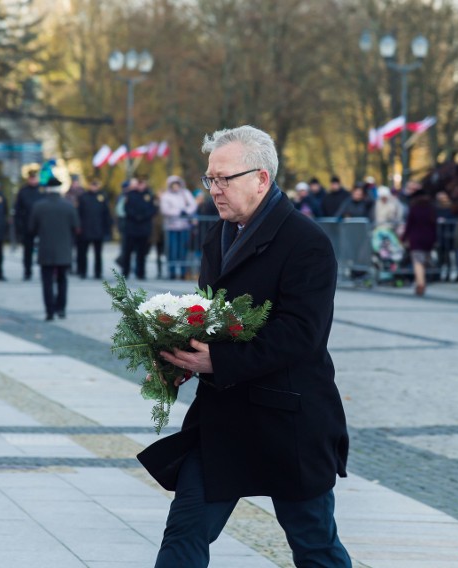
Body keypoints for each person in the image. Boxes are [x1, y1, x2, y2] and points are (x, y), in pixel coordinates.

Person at [137, 125, 351, 567]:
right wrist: (180, 356)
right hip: (223, 420)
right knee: (183, 534)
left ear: (261, 179)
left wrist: (217, 359)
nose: (214, 189)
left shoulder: (306, 242)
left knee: (315, 546)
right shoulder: (217, 235)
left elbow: (301, 334)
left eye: (224, 179)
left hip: (288, 420)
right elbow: (211, 317)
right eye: (209, 178)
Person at [29, 176, 80, 321]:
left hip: (45, 249)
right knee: (63, 280)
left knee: (47, 282)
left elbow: (31, 228)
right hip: (64, 250)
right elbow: (76, 227)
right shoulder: (69, 206)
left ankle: (49, 311)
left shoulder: (39, 206)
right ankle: (61, 308)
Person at [159, 175, 198, 280]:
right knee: (172, 250)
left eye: (177, 185)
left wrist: (186, 211)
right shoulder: (166, 196)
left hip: (184, 226)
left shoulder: (185, 193)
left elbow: (193, 205)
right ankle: (171, 272)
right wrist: (178, 212)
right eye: (174, 185)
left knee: (183, 250)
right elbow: (165, 209)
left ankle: (182, 272)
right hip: (171, 227)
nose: (176, 187)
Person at [401, 182, 437, 296]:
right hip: (429, 238)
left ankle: (420, 283)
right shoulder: (431, 208)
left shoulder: (414, 208)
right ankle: (420, 282)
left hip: (416, 238)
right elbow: (434, 224)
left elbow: (409, 224)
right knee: (424, 261)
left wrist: (404, 237)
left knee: (417, 262)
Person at [120, 178, 157, 280]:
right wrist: (136, 216)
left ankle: (140, 272)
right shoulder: (130, 195)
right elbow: (126, 209)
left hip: (144, 228)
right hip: (131, 227)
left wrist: (143, 217)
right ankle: (125, 272)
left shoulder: (149, 195)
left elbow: (153, 209)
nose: (140, 186)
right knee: (128, 252)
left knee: (142, 253)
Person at [76, 179, 113, 279]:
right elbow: (78, 214)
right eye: (92, 185)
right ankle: (82, 272)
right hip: (85, 230)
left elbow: (106, 214)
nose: (94, 187)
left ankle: (98, 272)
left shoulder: (102, 197)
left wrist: (107, 229)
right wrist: (78, 227)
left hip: (98, 230)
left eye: (95, 185)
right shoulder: (83, 197)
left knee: (98, 254)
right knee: (83, 253)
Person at [14, 169, 44, 280]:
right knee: (27, 251)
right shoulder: (23, 191)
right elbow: (18, 209)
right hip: (27, 225)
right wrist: (19, 226)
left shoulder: (42, 190)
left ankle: (43, 271)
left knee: (43, 250)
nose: (33, 180)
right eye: (31, 178)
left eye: (34, 178)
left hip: (41, 226)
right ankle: (27, 271)